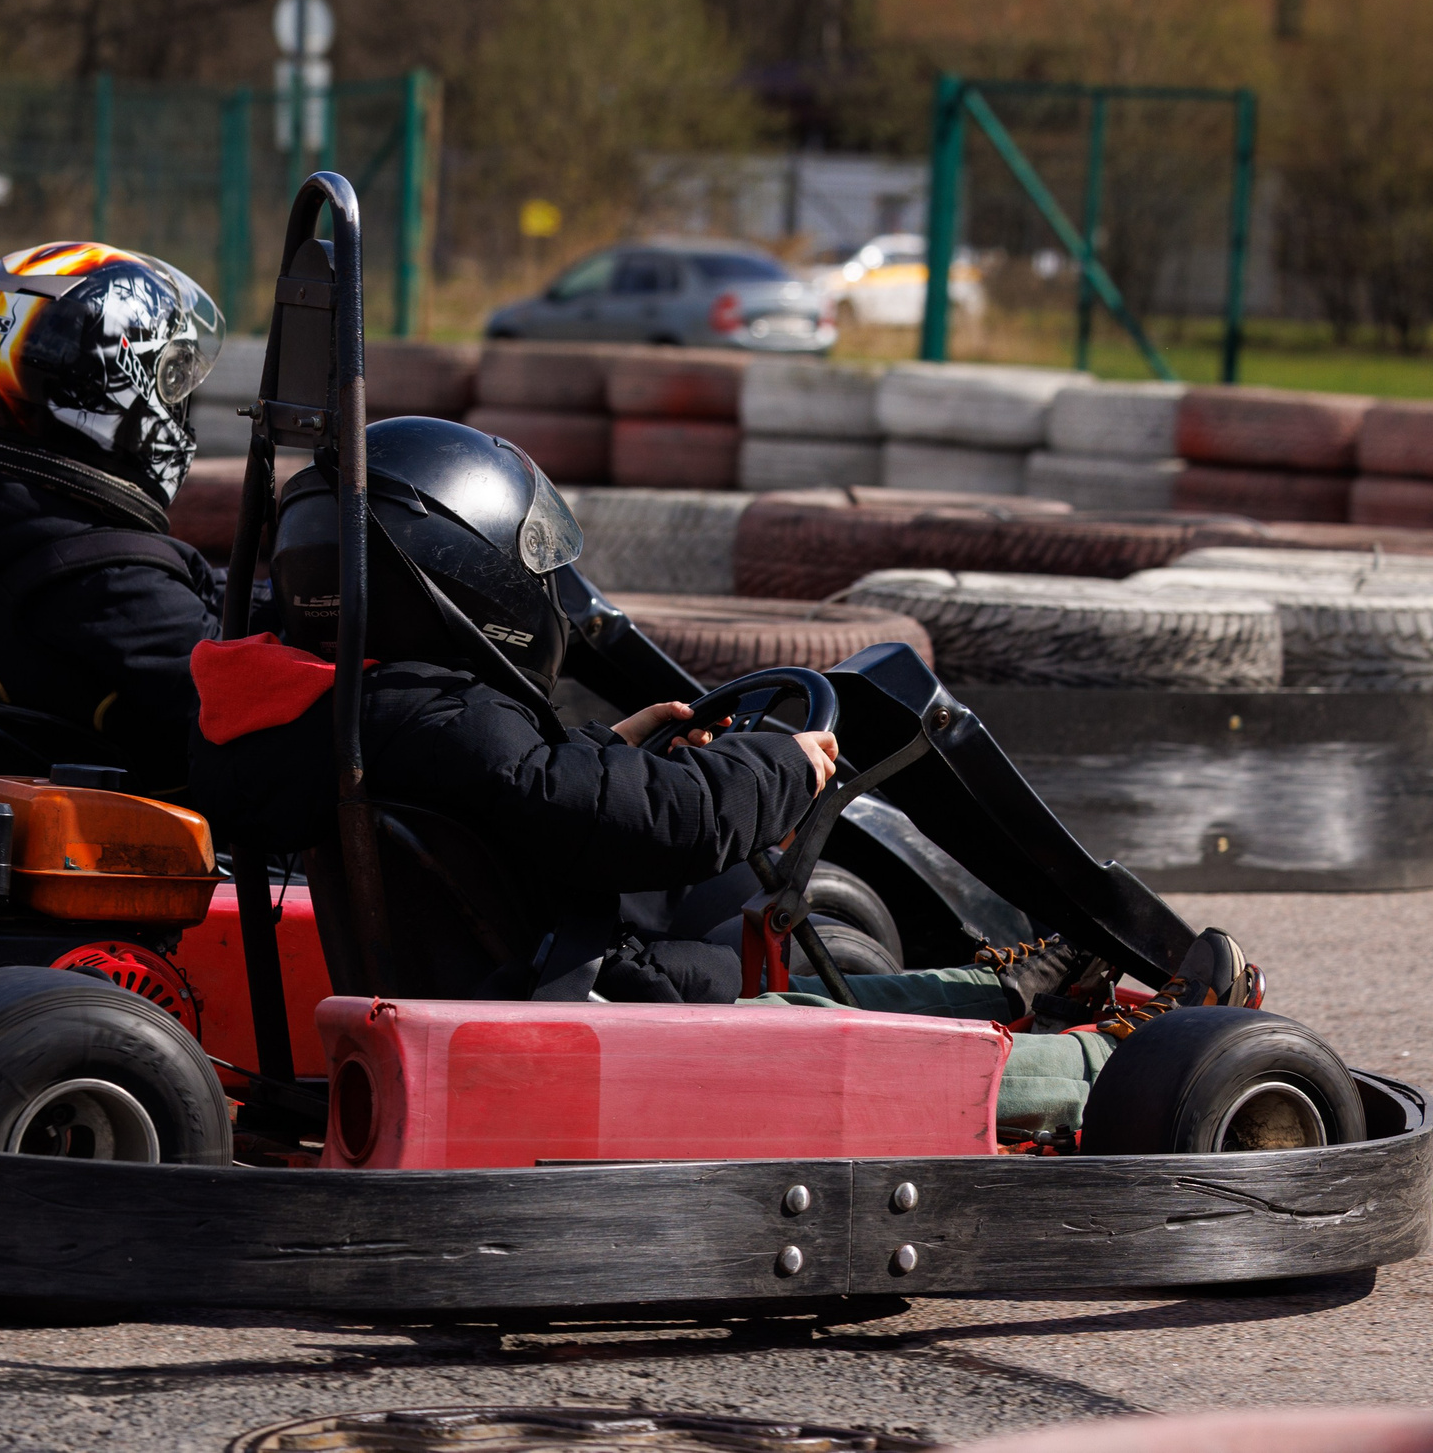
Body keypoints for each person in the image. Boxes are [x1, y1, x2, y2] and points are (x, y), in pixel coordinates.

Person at [183, 415, 1261, 1138]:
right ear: (466, 573)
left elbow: (535, 804)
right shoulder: (452, 723)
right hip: (582, 1024)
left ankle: (1008, 988)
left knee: (791, 995)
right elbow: (670, 827)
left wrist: (608, 752)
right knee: (812, 1037)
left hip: (516, 992)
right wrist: (777, 762)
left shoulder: (323, 717)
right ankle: (1112, 1065)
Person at [0, 241, 228, 793]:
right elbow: (246, 704)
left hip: (7, 797)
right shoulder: (111, 583)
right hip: (137, 846)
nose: (177, 407)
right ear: (102, 389)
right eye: (169, 380)